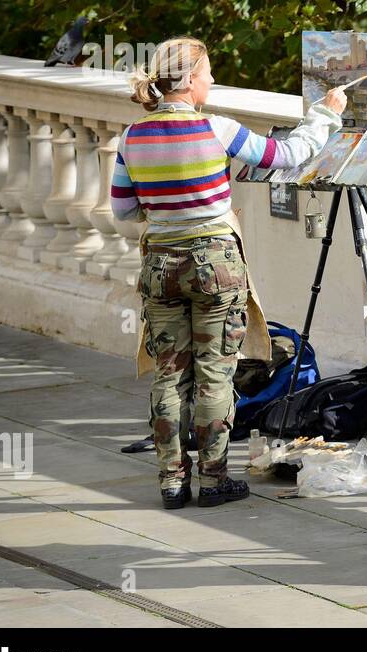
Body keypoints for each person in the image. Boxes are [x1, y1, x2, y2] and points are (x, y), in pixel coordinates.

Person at [112, 36, 346, 510]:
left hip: (161, 265)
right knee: (215, 375)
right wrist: (326, 113)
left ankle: (172, 483)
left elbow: (123, 209)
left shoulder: (131, 137)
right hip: (216, 264)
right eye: (209, 73)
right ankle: (214, 479)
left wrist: (168, 211)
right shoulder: (216, 129)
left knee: (169, 375)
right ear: (191, 80)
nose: (213, 80)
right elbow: (285, 155)